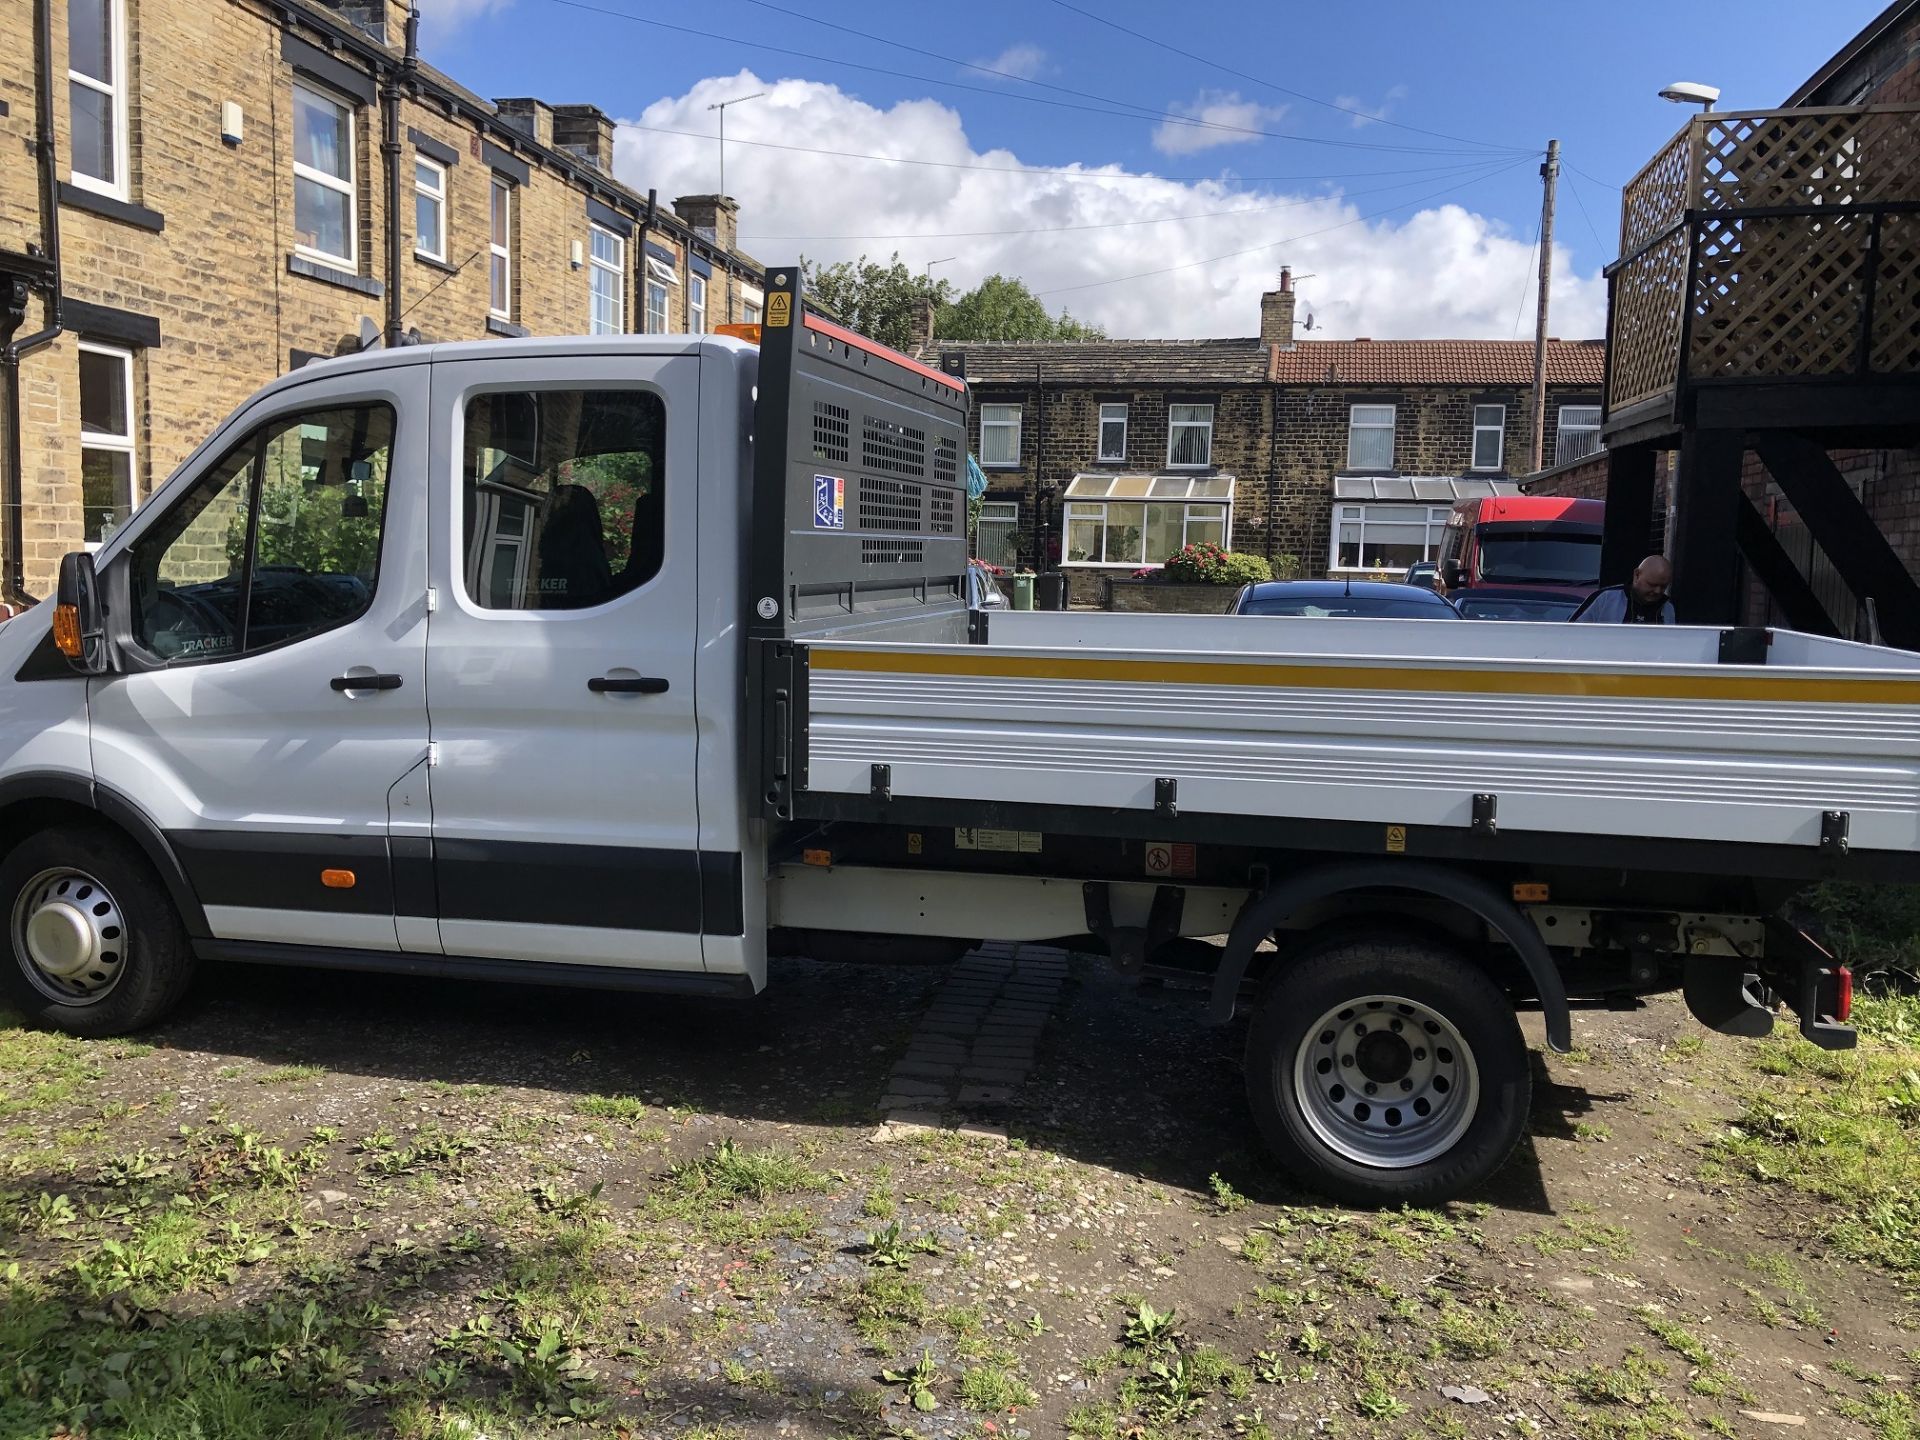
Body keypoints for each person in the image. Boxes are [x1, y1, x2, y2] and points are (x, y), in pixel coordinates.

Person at [1570, 555, 1676, 624]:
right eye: (1652, 584)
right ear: (1636, 575)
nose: (1657, 591)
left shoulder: (1668, 609)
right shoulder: (1605, 599)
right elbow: (1571, 633)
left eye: (1663, 587)